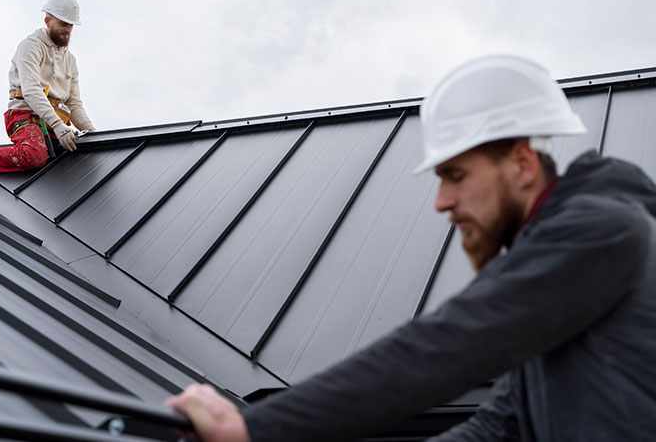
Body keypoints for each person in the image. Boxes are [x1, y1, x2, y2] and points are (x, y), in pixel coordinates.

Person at [165, 55, 656, 441]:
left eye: (456, 176)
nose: (441, 202)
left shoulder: (602, 230)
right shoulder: (557, 283)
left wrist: (254, 428)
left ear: (522, 164)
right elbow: (500, 425)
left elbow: (453, 343)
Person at [0, 0, 97, 183]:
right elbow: (31, 90)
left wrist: (95, 135)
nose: (67, 29)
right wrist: (58, 126)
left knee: (78, 154)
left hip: (54, 122)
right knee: (33, 155)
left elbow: (74, 104)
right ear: (47, 21)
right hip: (25, 115)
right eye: (63, 23)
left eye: (70, 25)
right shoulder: (31, 46)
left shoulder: (70, 61)